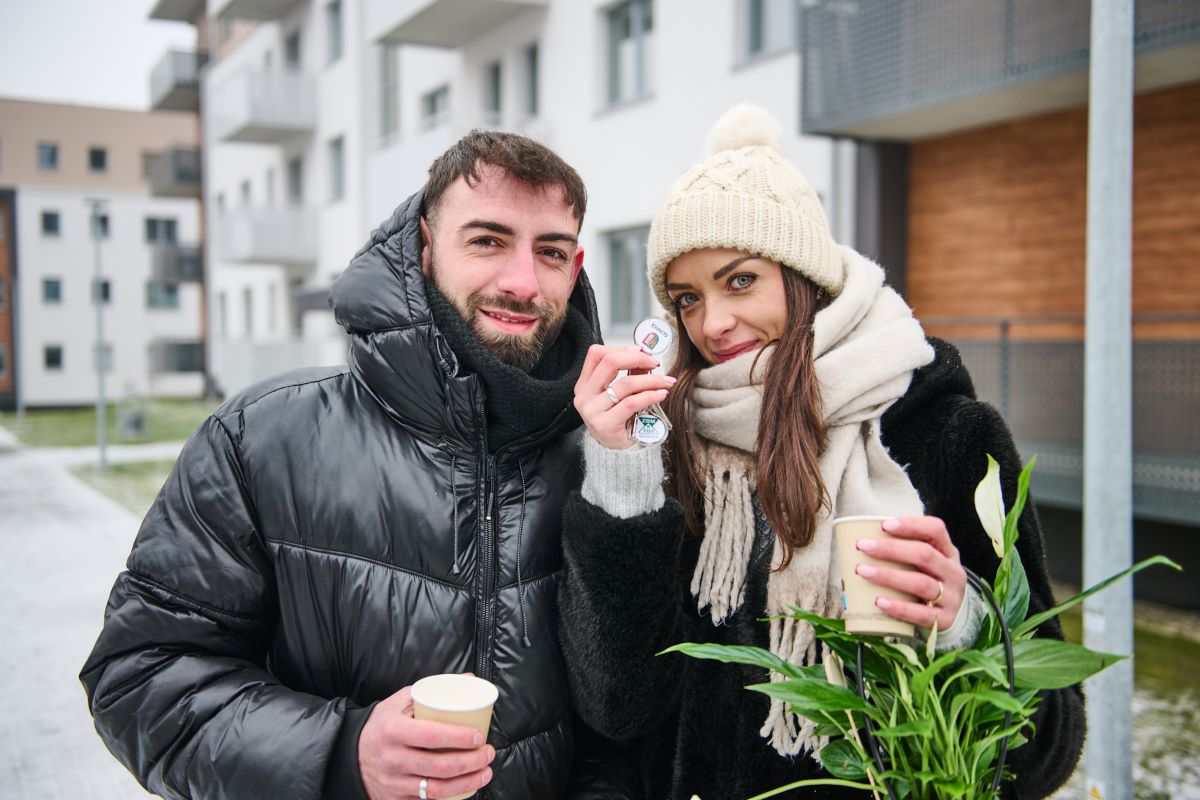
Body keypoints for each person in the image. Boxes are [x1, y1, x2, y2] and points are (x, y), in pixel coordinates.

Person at [558, 105, 1085, 799]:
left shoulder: (946, 437)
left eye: (741, 280)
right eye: (687, 298)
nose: (712, 323)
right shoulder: (674, 442)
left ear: (801, 276)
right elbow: (617, 708)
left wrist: (964, 624)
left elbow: (1047, 750)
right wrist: (621, 479)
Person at [81, 130, 616, 799]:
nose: (520, 281)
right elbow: (139, 677)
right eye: (487, 240)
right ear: (424, 247)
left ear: (577, 265)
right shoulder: (263, 437)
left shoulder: (603, 457)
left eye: (551, 252)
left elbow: (621, 727)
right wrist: (341, 752)